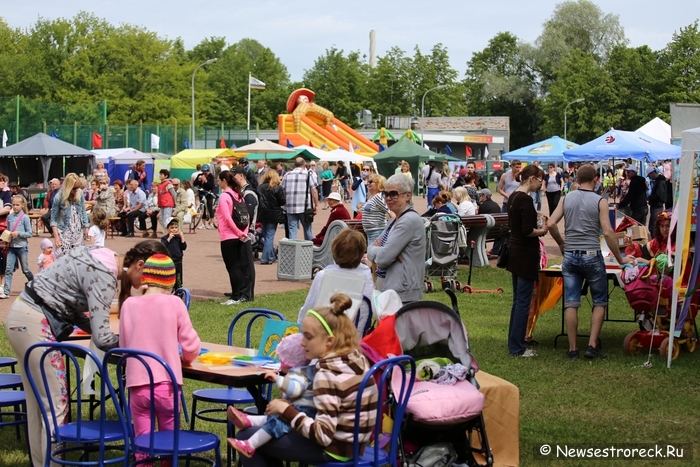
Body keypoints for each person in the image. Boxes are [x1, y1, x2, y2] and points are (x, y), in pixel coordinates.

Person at [5, 240, 168, 467]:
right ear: (140, 265)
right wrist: (139, 345)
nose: (146, 287)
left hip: (21, 317)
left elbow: (71, 307)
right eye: (149, 280)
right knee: (56, 408)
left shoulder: (101, 254)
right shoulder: (105, 275)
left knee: (39, 407)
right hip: (37, 324)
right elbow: (102, 339)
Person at [234, 293, 377, 467]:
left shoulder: (327, 375)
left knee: (245, 435)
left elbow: (323, 435)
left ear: (329, 341)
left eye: (308, 337)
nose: (302, 343)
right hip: (355, 445)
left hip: (334, 449)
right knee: (260, 433)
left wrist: (287, 411)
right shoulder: (355, 357)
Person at [119, 253, 201, 465]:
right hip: (167, 384)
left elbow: (124, 347)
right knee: (169, 437)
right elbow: (191, 345)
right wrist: (185, 357)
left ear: (145, 278)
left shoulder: (128, 305)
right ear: (171, 282)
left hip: (138, 385)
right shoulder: (175, 303)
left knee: (143, 439)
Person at [547, 165, 633, 360]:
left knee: (571, 302)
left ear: (577, 178)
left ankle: (572, 348)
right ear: (595, 179)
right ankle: (592, 345)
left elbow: (551, 223)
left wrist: (561, 243)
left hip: (570, 254)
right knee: (599, 301)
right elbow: (608, 232)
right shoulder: (600, 201)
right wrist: (620, 259)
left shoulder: (566, 198)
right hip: (591, 254)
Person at [227, 333, 317, 458]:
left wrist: (278, 379)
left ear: (288, 362)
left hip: (301, 416)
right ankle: (248, 420)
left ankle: (250, 445)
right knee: (275, 416)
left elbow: (294, 390)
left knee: (276, 422)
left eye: (281, 360)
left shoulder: (299, 373)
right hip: (299, 413)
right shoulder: (306, 370)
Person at [504, 164, 548, 357]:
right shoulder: (526, 200)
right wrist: (543, 231)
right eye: (540, 181)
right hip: (525, 253)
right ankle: (517, 347)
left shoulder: (513, 196)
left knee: (517, 301)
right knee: (523, 301)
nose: (541, 185)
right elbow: (528, 230)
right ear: (531, 179)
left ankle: (514, 342)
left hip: (514, 251)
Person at [299, 229, 373, 336]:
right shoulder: (366, 275)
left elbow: (308, 309)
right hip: (356, 338)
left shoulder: (323, 276)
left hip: (325, 338)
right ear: (362, 252)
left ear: (335, 250)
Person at [367, 174, 426, 304]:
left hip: (403, 291)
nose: (388, 198)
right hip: (391, 287)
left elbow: (383, 258)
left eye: (394, 194)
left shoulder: (408, 221)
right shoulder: (393, 220)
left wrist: (382, 251)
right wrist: (383, 251)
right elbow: (370, 249)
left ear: (408, 196)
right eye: (385, 194)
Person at [217, 170, 255, 305]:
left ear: (224, 181)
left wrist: (238, 233)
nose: (218, 182)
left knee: (232, 267)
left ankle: (235, 296)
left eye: (219, 180)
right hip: (240, 234)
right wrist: (243, 232)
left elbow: (227, 218)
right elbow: (246, 216)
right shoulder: (238, 195)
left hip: (229, 236)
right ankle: (239, 294)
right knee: (238, 267)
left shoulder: (224, 196)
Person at [50, 173, 89, 258]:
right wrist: (56, 237)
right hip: (64, 232)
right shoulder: (58, 197)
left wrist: (86, 227)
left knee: (79, 259)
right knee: (64, 259)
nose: (76, 190)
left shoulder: (80, 193)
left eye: (78, 187)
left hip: (78, 232)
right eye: (74, 188)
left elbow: (83, 211)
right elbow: (53, 219)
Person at [281, 157, 319, 241]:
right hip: (305, 208)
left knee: (292, 231)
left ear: (294, 165)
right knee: (308, 230)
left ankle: (293, 251)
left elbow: (282, 191)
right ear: (304, 165)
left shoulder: (287, 175)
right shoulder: (309, 174)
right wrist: (316, 205)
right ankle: (309, 250)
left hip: (290, 208)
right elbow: (314, 191)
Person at [3, 195, 33, 299]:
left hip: (21, 247)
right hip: (11, 246)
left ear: (22, 205)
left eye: (17, 205)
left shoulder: (25, 217)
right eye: (14, 205)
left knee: (25, 269)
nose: (15, 207)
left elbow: (29, 233)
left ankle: (34, 284)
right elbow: (8, 230)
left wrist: (19, 233)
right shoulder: (10, 217)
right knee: (8, 269)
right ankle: (6, 291)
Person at [257, 170, 286, 265]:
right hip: (273, 214)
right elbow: (282, 201)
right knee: (270, 235)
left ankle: (271, 255)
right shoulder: (277, 187)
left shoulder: (260, 187)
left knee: (266, 235)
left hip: (262, 213)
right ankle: (265, 258)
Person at [362, 174, 391, 245]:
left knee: (374, 254)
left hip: (377, 231)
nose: (368, 183)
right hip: (370, 232)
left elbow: (390, 211)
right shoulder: (370, 196)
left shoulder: (379, 196)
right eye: (368, 181)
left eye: (371, 181)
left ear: (379, 183)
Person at [161, 217, 187, 290]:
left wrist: (182, 238)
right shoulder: (164, 238)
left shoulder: (178, 238)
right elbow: (163, 246)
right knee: (169, 277)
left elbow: (184, 247)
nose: (174, 229)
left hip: (178, 260)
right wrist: (169, 239)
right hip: (169, 261)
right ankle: (169, 290)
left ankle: (179, 291)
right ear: (167, 228)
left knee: (178, 278)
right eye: (172, 228)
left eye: (176, 227)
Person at [647, 166, 668, 238]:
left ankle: (655, 242)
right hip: (656, 206)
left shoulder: (660, 182)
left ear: (652, 173)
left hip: (657, 206)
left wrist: (650, 197)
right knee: (653, 226)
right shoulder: (658, 181)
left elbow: (659, 195)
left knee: (653, 226)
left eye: (649, 175)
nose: (649, 177)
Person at [194, 164, 216, 229]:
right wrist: (198, 180)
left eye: (206, 171)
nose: (205, 172)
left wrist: (206, 181)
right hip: (202, 194)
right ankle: (203, 224)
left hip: (208, 194)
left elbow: (211, 186)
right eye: (203, 171)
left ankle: (211, 223)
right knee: (202, 209)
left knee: (209, 208)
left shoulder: (211, 176)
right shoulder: (200, 175)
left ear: (208, 170)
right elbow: (195, 183)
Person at [157, 168, 178, 234]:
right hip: (162, 204)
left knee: (167, 220)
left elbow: (174, 194)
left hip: (168, 204)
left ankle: (169, 233)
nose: (160, 176)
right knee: (163, 220)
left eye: (161, 174)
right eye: (160, 174)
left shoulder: (168, 184)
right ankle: (167, 233)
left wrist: (175, 203)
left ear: (166, 176)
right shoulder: (161, 184)